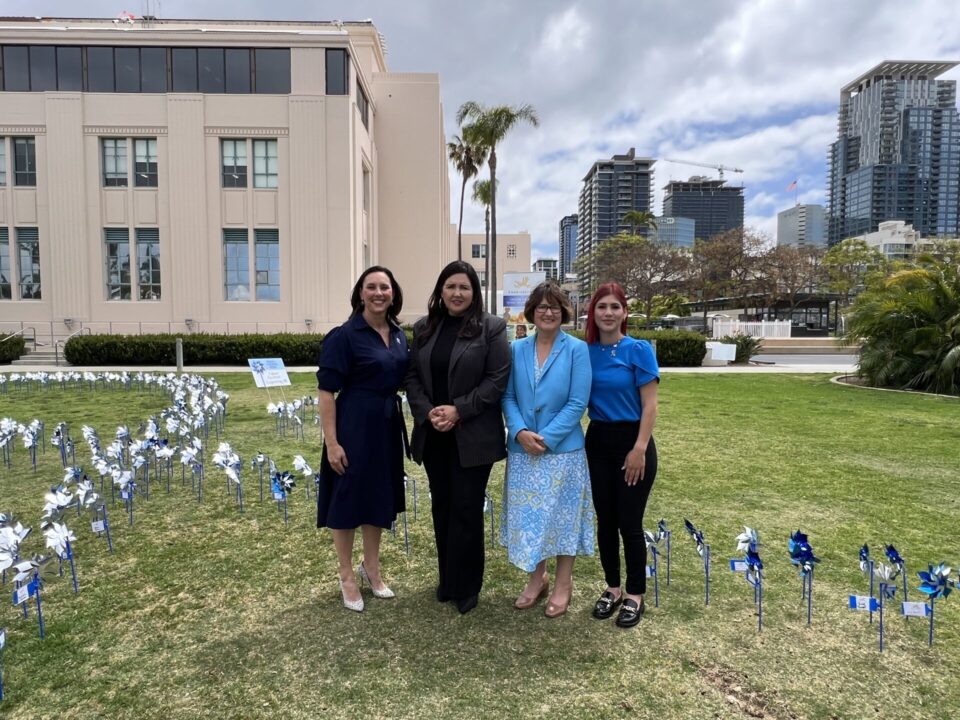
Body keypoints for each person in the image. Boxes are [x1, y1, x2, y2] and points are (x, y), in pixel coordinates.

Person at [405, 261, 511, 614]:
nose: (457, 293)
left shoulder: (491, 329)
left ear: (474, 292)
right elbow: (412, 377)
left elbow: (496, 380)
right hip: (434, 434)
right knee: (442, 506)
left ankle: (467, 585)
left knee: (466, 508)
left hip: (473, 435)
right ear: (440, 291)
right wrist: (429, 412)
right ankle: (447, 579)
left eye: (464, 287)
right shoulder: (423, 328)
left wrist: (457, 410)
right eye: (450, 286)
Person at [316, 266, 409, 613]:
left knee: (378, 497)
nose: (378, 293)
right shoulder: (344, 335)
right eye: (371, 287)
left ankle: (371, 568)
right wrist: (332, 443)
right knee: (348, 498)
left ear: (393, 294)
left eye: (385, 287)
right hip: (353, 424)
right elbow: (326, 392)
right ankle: (346, 575)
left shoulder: (399, 335)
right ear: (360, 294)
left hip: (385, 426)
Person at [500, 281, 593, 618]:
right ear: (532, 312)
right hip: (523, 451)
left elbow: (577, 401)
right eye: (541, 306)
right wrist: (520, 431)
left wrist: (547, 438)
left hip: (563, 452)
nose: (548, 312)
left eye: (554, 306)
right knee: (531, 519)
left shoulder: (576, 349)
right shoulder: (516, 348)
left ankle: (563, 584)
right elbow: (507, 395)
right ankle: (536, 579)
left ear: (564, 311)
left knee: (563, 520)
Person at [584, 282, 660, 628]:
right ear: (593, 313)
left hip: (633, 441)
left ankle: (635, 594)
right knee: (606, 521)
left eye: (615, 307)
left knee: (629, 523)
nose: (608, 313)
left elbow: (650, 404)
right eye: (602, 307)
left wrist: (639, 449)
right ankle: (612, 588)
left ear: (624, 312)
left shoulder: (638, 350)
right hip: (598, 440)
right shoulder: (584, 352)